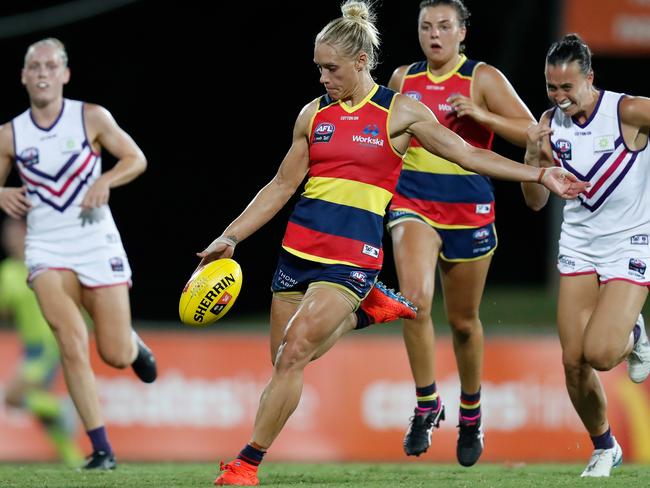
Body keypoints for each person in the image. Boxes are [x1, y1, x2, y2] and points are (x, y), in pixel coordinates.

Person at [200, 2, 587, 485]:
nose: (323, 77)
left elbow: (467, 153)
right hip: (297, 253)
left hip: (351, 260)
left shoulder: (399, 111)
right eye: (319, 68)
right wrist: (231, 235)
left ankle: (246, 463)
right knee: (284, 358)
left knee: (297, 350)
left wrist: (538, 173)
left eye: (331, 68)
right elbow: (280, 185)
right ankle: (369, 311)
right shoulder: (312, 115)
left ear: (361, 61)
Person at [386, 0, 536, 467]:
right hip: (413, 204)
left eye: (444, 26)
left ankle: (470, 414)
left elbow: (533, 133)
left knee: (465, 324)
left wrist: (482, 115)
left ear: (462, 32)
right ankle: (427, 404)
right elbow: (386, 140)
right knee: (412, 303)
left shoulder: (483, 78)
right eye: (426, 26)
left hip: (469, 212)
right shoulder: (401, 81)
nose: (435, 35)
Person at [0, 38, 158, 470]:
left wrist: (108, 180)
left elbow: (136, 158)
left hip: (95, 240)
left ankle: (131, 344)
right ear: (23, 76)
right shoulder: (10, 134)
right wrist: (2, 193)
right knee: (70, 341)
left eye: (52, 65)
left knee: (113, 354)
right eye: (35, 66)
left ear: (65, 74)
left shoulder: (90, 117)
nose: (43, 72)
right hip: (46, 247)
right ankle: (101, 449)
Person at [522, 33, 650, 477]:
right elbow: (535, 203)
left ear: (589, 78)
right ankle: (604, 447)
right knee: (573, 362)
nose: (559, 97)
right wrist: (533, 154)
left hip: (630, 242)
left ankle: (632, 332)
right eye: (551, 88)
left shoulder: (628, 111)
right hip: (578, 244)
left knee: (599, 353)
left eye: (567, 88)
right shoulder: (548, 122)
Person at [0, 217, 83, 466]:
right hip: (30, 346)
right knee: (40, 410)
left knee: (13, 397)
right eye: (7, 236)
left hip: (49, 342)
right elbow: (5, 311)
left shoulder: (43, 262)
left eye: (15, 234)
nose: (11, 240)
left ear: (26, 234)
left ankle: (61, 408)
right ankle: (74, 460)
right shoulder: (7, 271)